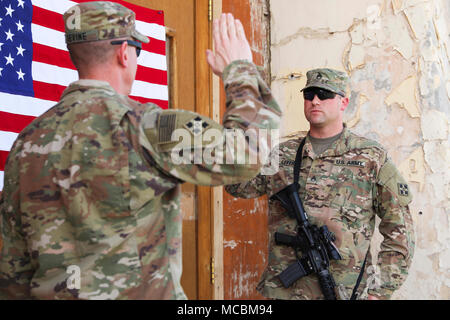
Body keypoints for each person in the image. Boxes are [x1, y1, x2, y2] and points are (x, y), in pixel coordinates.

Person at [0, 2, 281, 300]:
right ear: (125, 53)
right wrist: (241, 72)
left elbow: (13, 269)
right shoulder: (146, 126)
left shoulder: (26, 143)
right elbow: (251, 152)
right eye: (137, 50)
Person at [225, 68, 415, 300]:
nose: (315, 100)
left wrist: (379, 292)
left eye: (324, 94)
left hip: (344, 292)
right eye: (310, 94)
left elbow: (400, 232)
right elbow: (238, 186)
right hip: (286, 293)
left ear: (343, 102)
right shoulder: (283, 154)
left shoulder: (370, 157)